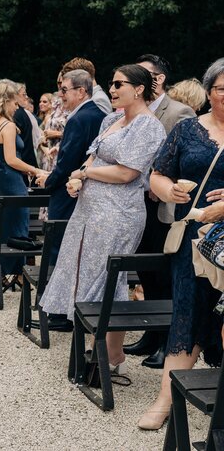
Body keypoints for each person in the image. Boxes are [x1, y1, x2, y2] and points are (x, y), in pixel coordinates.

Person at [39, 64, 166, 380]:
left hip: (119, 214)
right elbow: (92, 156)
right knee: (85, 271)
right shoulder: (112, 119)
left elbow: (127, 172)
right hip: (89, 210)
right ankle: (100, 348)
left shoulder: (149, 127)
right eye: (111, 83)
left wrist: (86, 174)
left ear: (138, 88)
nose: (111, 88)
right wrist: (77, 178)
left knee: (109, 277)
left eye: (118, 84)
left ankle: (111, 354)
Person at [137, 57, 224, 430]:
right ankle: (166, 399)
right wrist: (168, 190)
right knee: (187, 311)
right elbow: (157, 174)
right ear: (209, 92)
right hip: (194, 236)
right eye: (223, 89)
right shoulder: (188, 130)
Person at [125, 54, 195, 369]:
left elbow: (187, 160)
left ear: (159, 79)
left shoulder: (180, 112)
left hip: (164, 206)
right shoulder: (128, 113)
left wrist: (161, 184)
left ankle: (169, 342)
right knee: (145, 270)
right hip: (133, 203)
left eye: (145, 74)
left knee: (165, 272)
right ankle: (151, 334)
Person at [35, 70, 106, 330]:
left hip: (68, 191)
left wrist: (50, 182)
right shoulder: (97, 114)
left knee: (60, 248)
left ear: (81, 91)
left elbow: (68, 161)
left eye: (64, 90)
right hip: (83, 190)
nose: (60, 95)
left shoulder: (81, 118)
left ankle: (60, 313)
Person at [0, 81, 46, 281]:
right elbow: (12, 159)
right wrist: (34, 169)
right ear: (6, 101)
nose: (17, 106)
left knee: (0, 224)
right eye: (14, 102)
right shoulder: (9, 126)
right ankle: (16, 273)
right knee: (19, 224)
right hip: (11, 180)